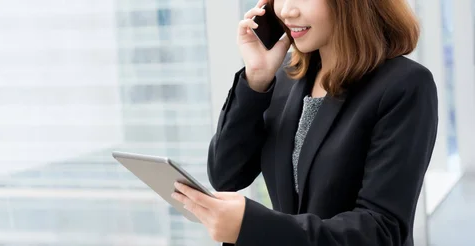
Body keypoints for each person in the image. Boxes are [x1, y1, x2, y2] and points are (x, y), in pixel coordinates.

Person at [170, 0, 438, 245]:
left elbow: (381, 230)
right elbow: (226, 175)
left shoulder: (405, 86)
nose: (287, 10)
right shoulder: (287, 76)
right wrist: (257, 78)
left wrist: (253, 225)